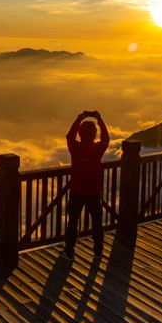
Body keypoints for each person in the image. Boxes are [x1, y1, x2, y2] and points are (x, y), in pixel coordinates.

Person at [61, 110, 109, 261]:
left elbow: (69, 136)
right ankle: (98, 251)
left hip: (77, 191)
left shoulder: (75, 147)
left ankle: (69, 251)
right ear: (94, 134)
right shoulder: (98, 149)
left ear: (80, 134)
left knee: (73, 222)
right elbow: (106, 138)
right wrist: (100, 120)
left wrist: (78, 119)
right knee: (97, 222)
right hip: (94, 191)